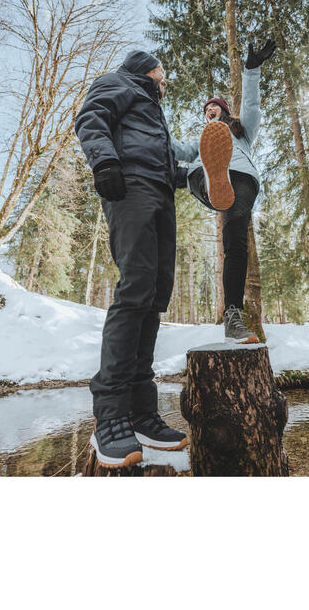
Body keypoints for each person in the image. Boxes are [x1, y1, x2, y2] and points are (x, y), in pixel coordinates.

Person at [75, 49, 189, 468]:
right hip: (130, 188)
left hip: (160, 193)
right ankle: (110, 417)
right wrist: (104, 162)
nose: (165, 81)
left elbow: (161, 158)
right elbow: (90, 119)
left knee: (155, 296)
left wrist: (186, 177)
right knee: (135, 288)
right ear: (147, 67)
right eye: (163, 73)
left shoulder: (154, 111)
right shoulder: (117, 82)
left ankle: (142, 413)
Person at [174, 39, 276, 344]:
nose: (209, 110)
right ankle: (211, 178)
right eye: (206, 109)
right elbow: (177, 148)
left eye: (214, 107)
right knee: (190, 165)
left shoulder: (242, 132)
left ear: (225, 111)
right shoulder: (200, 138)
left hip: (241, 181)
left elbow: (251, 105)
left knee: (235, 243)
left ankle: (233, 316)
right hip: (206, 179)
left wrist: (252, 70)